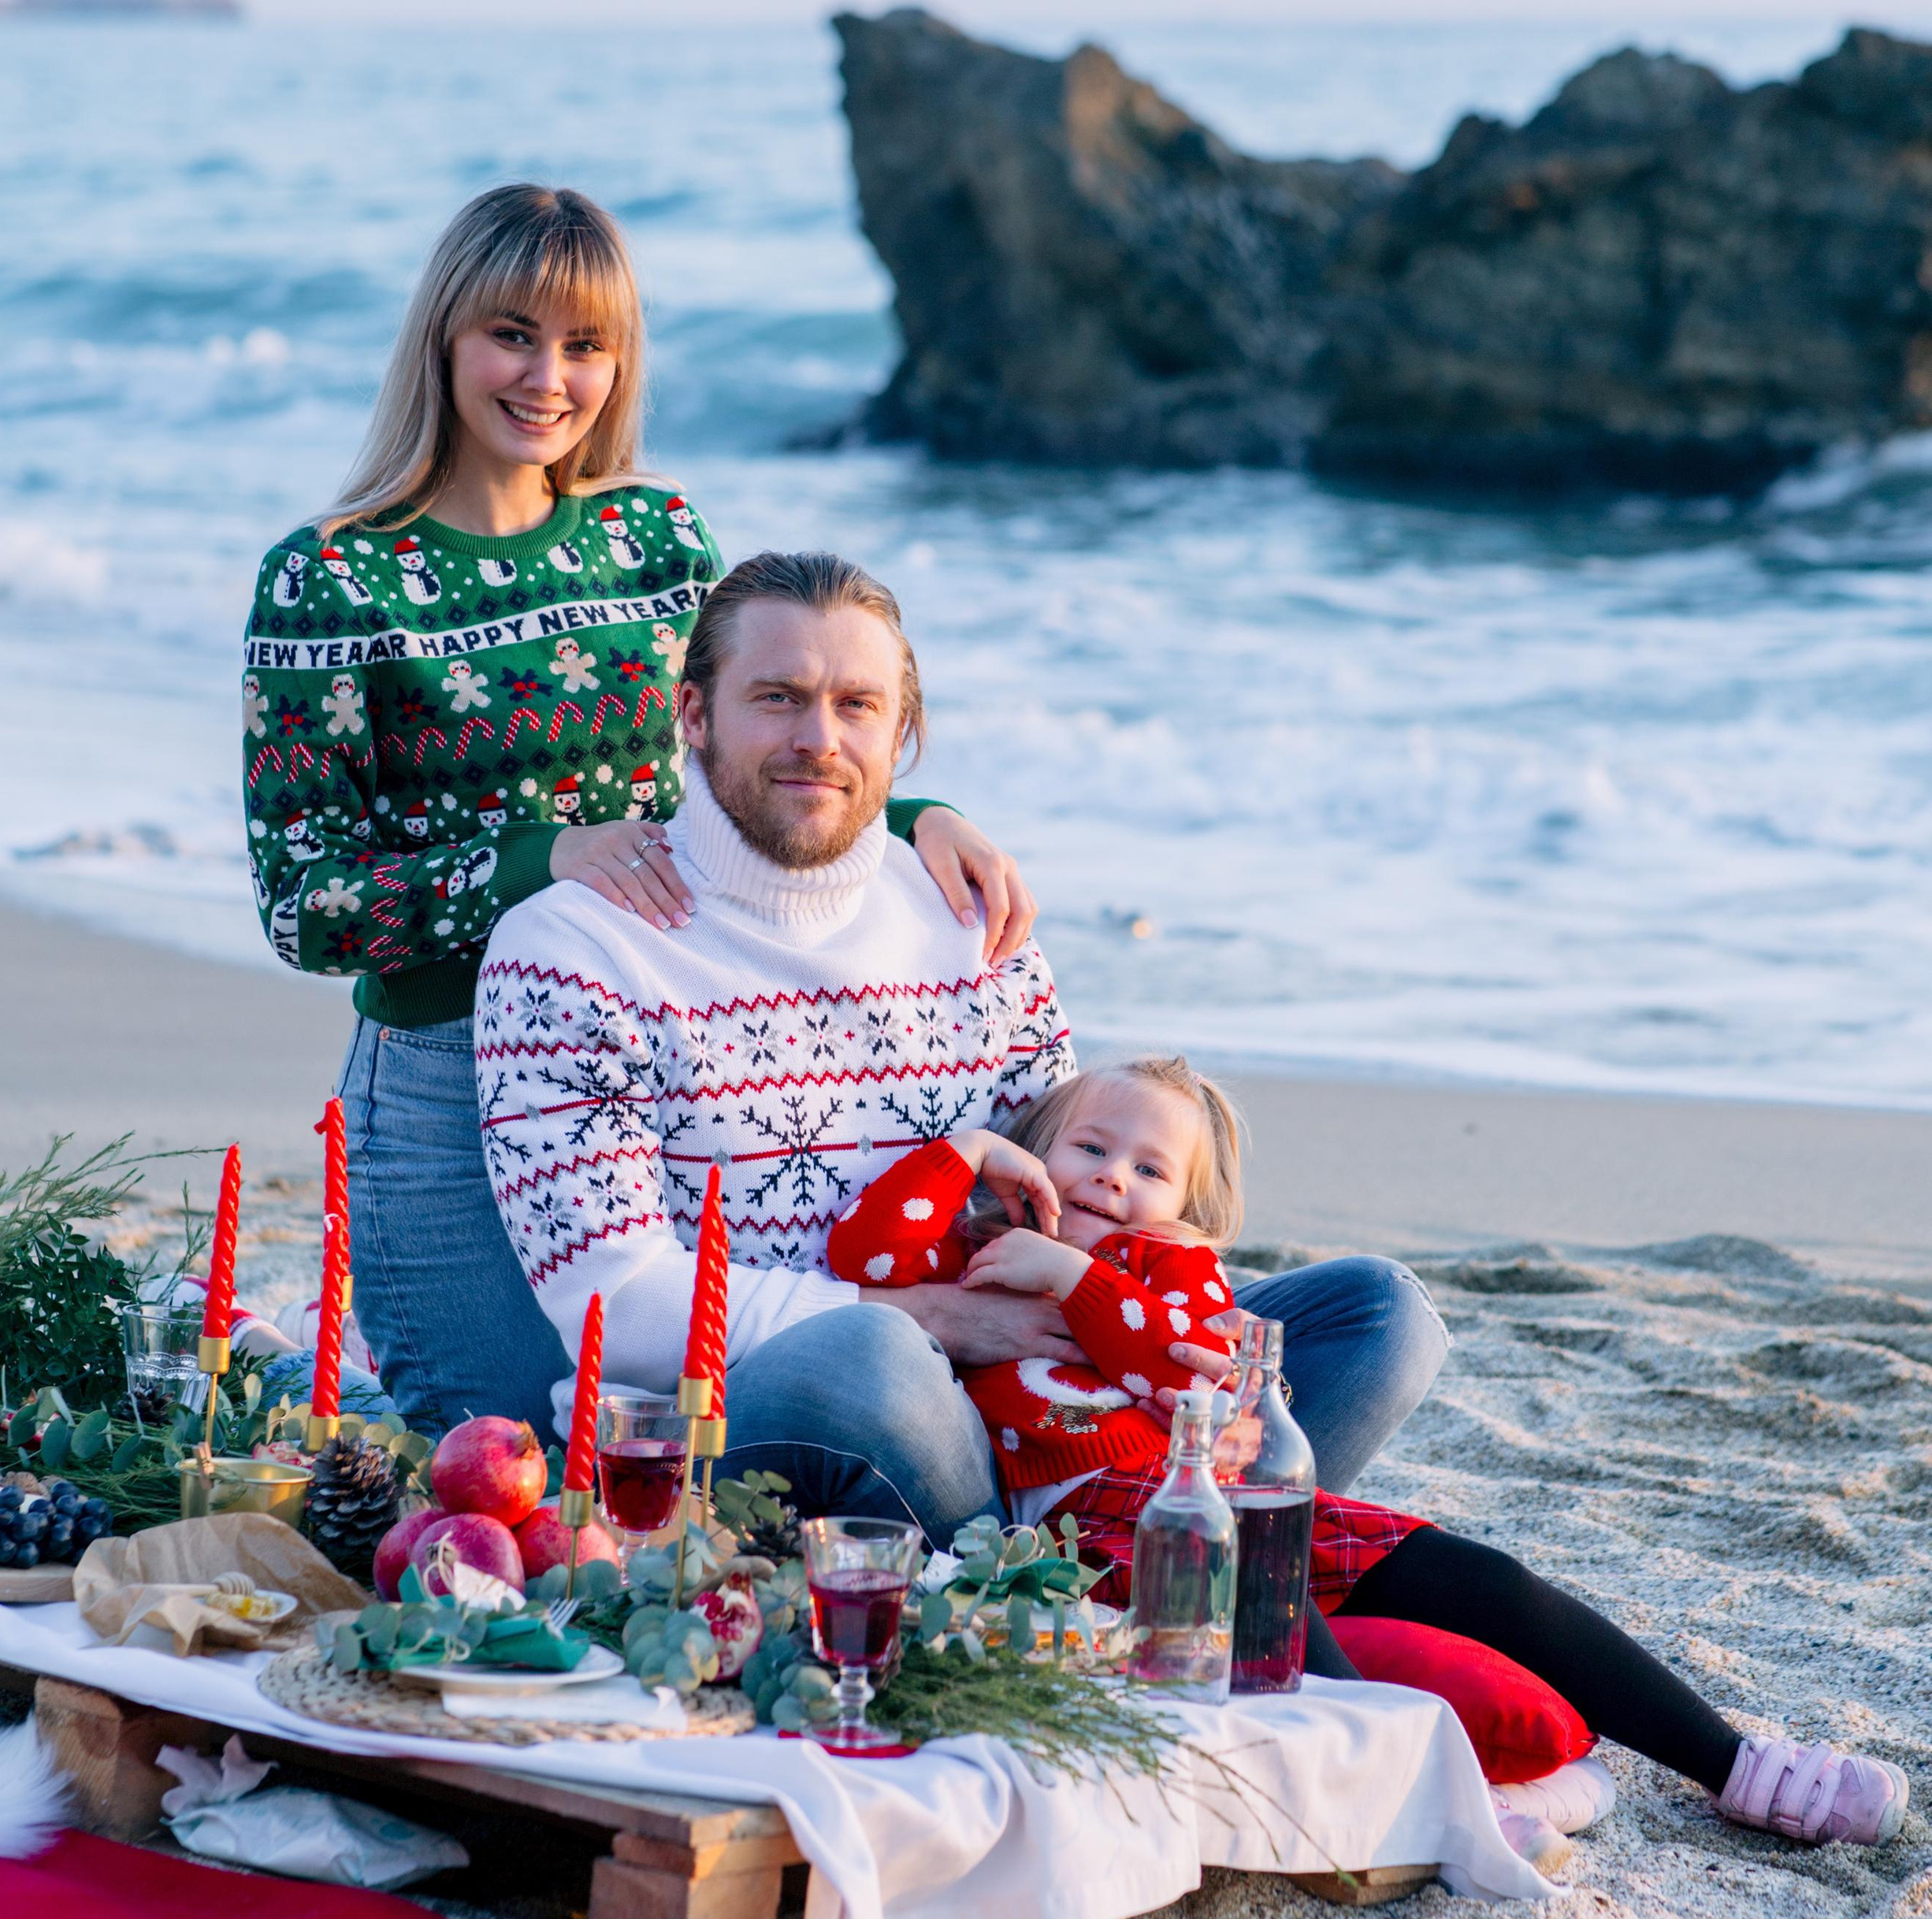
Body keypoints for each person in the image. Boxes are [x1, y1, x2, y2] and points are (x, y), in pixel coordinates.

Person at [240, 186, 1031, 1441]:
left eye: (586, 346)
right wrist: (542, 857)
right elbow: (304, 907)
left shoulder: (653, 535)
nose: (548, 378)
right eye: (513, 335)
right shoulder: (330, 576)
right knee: (498, 1443)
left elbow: (745, 739)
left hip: (645, 1054)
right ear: (445, 337)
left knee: (654, 1426)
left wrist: (912, 812)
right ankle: (263, 1358)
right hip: (445, 1073)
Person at [475, 548, 1450, 1550]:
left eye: (857, 705)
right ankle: (1061, 1570)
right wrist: (931, 1315)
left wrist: (1169, 1320)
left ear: (902, 732)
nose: (819, 738)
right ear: (692, 713)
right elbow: (620, 1308)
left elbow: (1067, 1206)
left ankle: (1131, 1527)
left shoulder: (971, 916)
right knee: (871, 1353)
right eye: (777, 697)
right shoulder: (573, 949)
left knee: (1378, 1316)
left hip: (1022, 1399)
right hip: (746, 1415)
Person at [829, 1055, 1908, 1855]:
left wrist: (1072, 1279)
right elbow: (862, 1255)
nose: (1114, 1179)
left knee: (1481, 1579)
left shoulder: (1172, 1269)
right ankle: (1431, 1799)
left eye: (1151, 1169)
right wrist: (970, 1153)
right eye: (1090, 1149)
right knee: (1264, 1607)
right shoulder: (977, 1252)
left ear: (1186, 1206)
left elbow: (1182, 1372)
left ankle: (1741, 1764)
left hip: (1211, 1486)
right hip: (1078, 1532)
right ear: (1038, 1153)